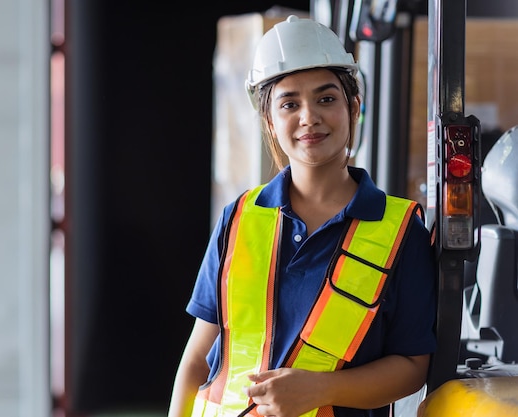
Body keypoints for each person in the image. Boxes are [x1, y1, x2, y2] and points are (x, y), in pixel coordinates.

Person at [168, 15, 436, 417]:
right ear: (271, 123)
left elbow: (413, 367)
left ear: (354, 107)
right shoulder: (238, 219)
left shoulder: (400, 232)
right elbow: (196, 359)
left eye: (326, 98)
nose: (309, 116)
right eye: (289, 103)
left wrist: (320, 389)